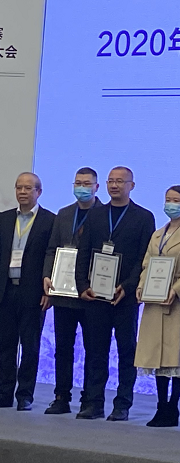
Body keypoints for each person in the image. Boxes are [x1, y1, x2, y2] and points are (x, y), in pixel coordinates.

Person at [75, 166, 155, 420]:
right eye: (111, 181)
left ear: (132, 185)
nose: (114, 185)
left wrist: (128, 286)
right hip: (95, 295)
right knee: (95, 351)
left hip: (125, 297)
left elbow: (144, 257)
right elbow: (83, 251)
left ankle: (122, 404)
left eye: (120, 181)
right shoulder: (96, 214)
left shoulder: (143, 217)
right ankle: (93, 402)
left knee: (126, 351)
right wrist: (82, 285)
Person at [134, 185, 180, 427]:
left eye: (176, 200)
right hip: (154, 301)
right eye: (167, 199)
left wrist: (177, 290)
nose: (170, 204)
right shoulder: (157, 234)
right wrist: (141, 286)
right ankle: (161, 406)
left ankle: (173, 406)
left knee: (176, 355)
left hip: (176, 302)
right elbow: (147, 264)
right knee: (157, 357)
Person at [41, 167, 101, 414]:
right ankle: (61, 397)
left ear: (96, 187)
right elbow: (51, 249)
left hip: (90, 293)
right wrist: (47, 275)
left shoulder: (103, 214)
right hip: (63, 292)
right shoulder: (64, 214)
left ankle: (90, 399)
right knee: (63, 348)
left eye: (86, 183)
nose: (82, 188)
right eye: (78, 183)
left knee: (93, 349)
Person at [0, 172, 55, 411]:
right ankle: (4, 393)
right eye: (19, 188)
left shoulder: (50, 221)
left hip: (33, 293)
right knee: (5, 346)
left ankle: (25, 395)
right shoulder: (3, 219)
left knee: (30, 347)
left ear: (38, 192)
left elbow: (51, 256)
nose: (22, 192)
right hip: (5, 291)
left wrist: (48, 290)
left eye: (28, 188)